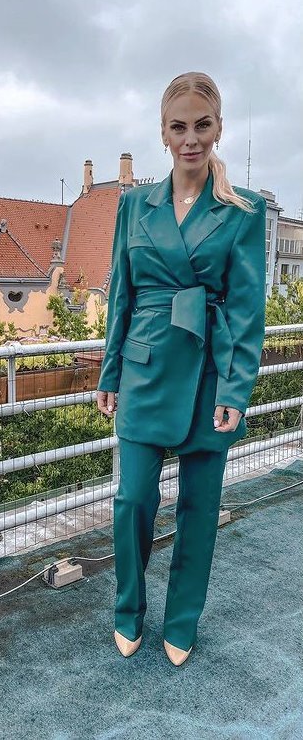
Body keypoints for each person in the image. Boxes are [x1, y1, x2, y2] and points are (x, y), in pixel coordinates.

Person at [96, 72, 267, 665]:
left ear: (218, 128)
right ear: (163, 134)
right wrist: (109, 372)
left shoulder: (244, 210)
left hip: (209, 373)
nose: (190, 138)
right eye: (178, 127)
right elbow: (120, 294)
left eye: (201, 125)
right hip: (143, 367)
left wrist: (237, 391)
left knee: (199, 510)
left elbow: (246, 310)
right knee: (132, 501)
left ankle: (182, 620)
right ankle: (128, 611)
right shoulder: (133, 205)